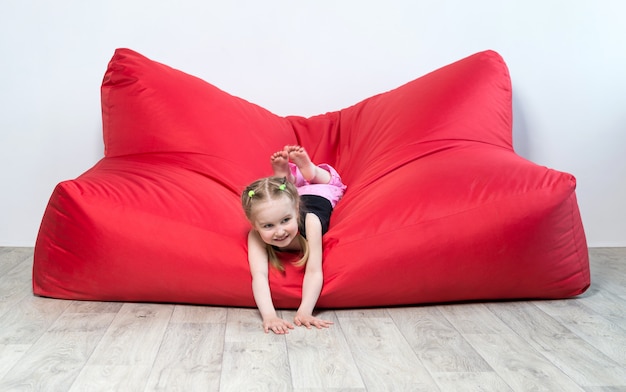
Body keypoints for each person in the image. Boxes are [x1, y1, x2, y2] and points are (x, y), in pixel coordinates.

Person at [241, 145, 347, 334]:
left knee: (330, 181)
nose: (280, 232)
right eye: (268, 226)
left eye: (286, 221)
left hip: (321, 193)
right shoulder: (255, 236)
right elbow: (259, 276)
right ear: (254, 225)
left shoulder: (310, 223)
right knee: (284, 193)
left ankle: (310, 170)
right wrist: (270, 316)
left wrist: (305, 310)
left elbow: (314, 271)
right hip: (291, 198)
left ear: (296, 211)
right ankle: (286, 177)